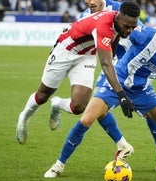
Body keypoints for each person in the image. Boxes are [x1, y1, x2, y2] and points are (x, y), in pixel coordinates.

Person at [44, 18, 156, 179]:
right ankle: (58, 165)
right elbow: (120, 30)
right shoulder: (148, 35)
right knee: (86, 119)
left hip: (141, 90)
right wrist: (110, 52)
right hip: (116, 84)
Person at [49, 0, 156, 173]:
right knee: (96, 109)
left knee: (149, 109)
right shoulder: (86, 16)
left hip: (135, 65)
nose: (91, 3)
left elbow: (141, 33)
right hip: (112, 65)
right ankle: (122, 145)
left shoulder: (121, 10)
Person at [15, 1, 140, 145]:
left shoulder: (120, 23)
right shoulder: (104, 26)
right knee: (43, 95)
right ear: (118, 18)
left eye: (133, 27)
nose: (129, 30)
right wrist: (121, 95)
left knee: (79, 106)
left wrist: (114, 67)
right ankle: (24, 117)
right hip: (66, 48)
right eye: (127, 27)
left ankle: (57, 104)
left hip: (87, 55)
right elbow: (105, 64)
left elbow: (111, 51)